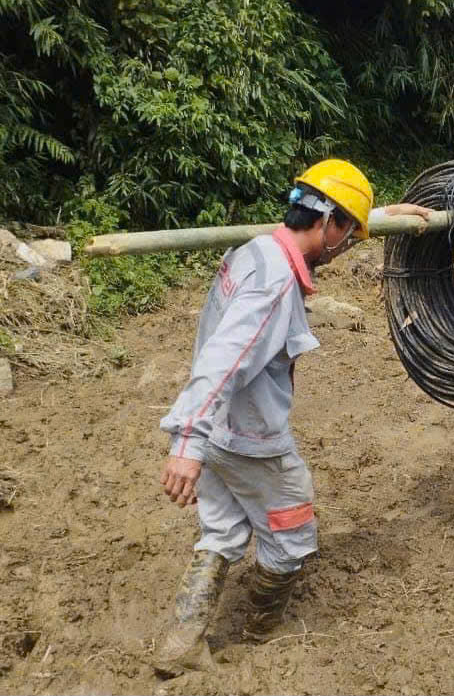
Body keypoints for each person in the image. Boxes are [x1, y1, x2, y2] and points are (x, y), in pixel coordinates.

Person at [153, 159, 432, 674]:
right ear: (329, 223)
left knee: (221, 531)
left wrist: (384, 215)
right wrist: (185, 445)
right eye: (349, 232)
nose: (349, 244)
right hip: (248, 437)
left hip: (218, 430)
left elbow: (325, 240)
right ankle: (262, 639)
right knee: (292, 533)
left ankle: (181, 643)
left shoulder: (257, 250)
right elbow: (226, 359)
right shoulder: (275, 284)